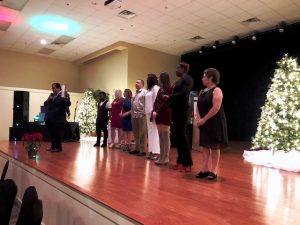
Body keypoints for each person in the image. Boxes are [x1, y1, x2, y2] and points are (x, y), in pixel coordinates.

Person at [195, 68, 228, 180]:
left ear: (211, 78)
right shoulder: (202, 91)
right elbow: (198, 107)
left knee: (214, 147)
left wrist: (204, 119)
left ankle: (214, 171)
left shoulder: (217, 90)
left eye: (204, 76)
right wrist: (198, 118)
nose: (202, 78)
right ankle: (204, 169)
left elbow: (216, 108)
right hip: (204, 122)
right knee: (205, 147)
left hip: (214, 122)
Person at [168, 62, 193, 172]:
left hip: (183, 110)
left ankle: (187, 163)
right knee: (178, 137)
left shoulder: (188, 79)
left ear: (183, 69)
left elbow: (184, 93)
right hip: (176, 110)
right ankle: (180, 161)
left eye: (178, 68)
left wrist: (169, 96)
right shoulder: (178, 81)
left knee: (182, 136)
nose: (176, 70)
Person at [152, 72, 172, 165]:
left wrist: (157, 111)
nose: (158, 79)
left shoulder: (169, 88)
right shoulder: (160, 89)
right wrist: (154, 110)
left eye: (159, 77)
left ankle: (166, 157)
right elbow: (156, 101)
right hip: (158, 114)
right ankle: (161, 155)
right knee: (160, 136)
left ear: (164, 78)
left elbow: (166, 102)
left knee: (165, 135)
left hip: (165, 113)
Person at [44, 83, 71, 152]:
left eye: (54, 88)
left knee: (57, 134)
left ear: (59, 88)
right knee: (52, 134)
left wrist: (65, 96)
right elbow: (45, 104)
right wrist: (48, 99)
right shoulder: (52, 95)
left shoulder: (63, 95)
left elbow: (68, 103)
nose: (52, 89)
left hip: (58, 119)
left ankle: (58, 148)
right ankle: (53, 147)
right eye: (52, 88)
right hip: (50, 119)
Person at [145, 74, 160, 160]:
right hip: (147, 112)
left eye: (148, 78)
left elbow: (156, 101)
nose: (147, 79)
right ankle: (150, 150)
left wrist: (154, 111)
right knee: (150, 132)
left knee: (155, 132)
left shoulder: (156, 88)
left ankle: (156, 151)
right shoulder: (149, 89)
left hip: (153, 113)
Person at [130, 79, 147, 156]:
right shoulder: (134, 93)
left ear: (142, 84)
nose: (136, 83)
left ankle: (142, 150)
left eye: (138, 82)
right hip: (134, 115)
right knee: (136, 133)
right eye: (135, 82)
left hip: (141, 115)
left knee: (142, 133)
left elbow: (147, 103)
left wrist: (144, 112)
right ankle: (137, 148)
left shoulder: (145, 92)